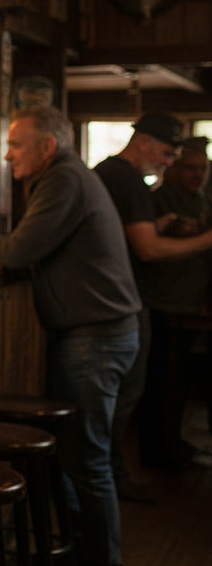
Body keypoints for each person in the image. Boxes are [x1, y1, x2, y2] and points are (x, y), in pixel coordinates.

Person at [0, 105, 140, 566]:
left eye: (15, 144)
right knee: (80, 460)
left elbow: (18, 250)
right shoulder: (64, 178)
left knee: (89, 463)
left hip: (95, 339)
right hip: (97, 336)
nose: (7, 154)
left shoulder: (63, 181)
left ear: (47, 148)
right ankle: (78, 563)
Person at [93, 112, 212, 496]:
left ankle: (111, 478)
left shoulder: (119, 176)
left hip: (120, 301)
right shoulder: (126, 179)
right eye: (166, 152)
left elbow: (130, 234)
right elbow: (146, 248)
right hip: (124, 303)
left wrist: (164, 223)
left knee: (125, 398)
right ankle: (111, 481)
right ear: (142, 141)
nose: (169, 162)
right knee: (125, 398)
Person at [146, 137, 212, 468]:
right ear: (173, 169)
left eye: (202, 168)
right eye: (190, 167)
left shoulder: (203, 201)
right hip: (163, 301)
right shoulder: (157, 201)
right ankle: (159, 449)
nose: (197, 174)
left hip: (194, 304)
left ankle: (173, 441)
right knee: (163, 381)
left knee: (183, 381)